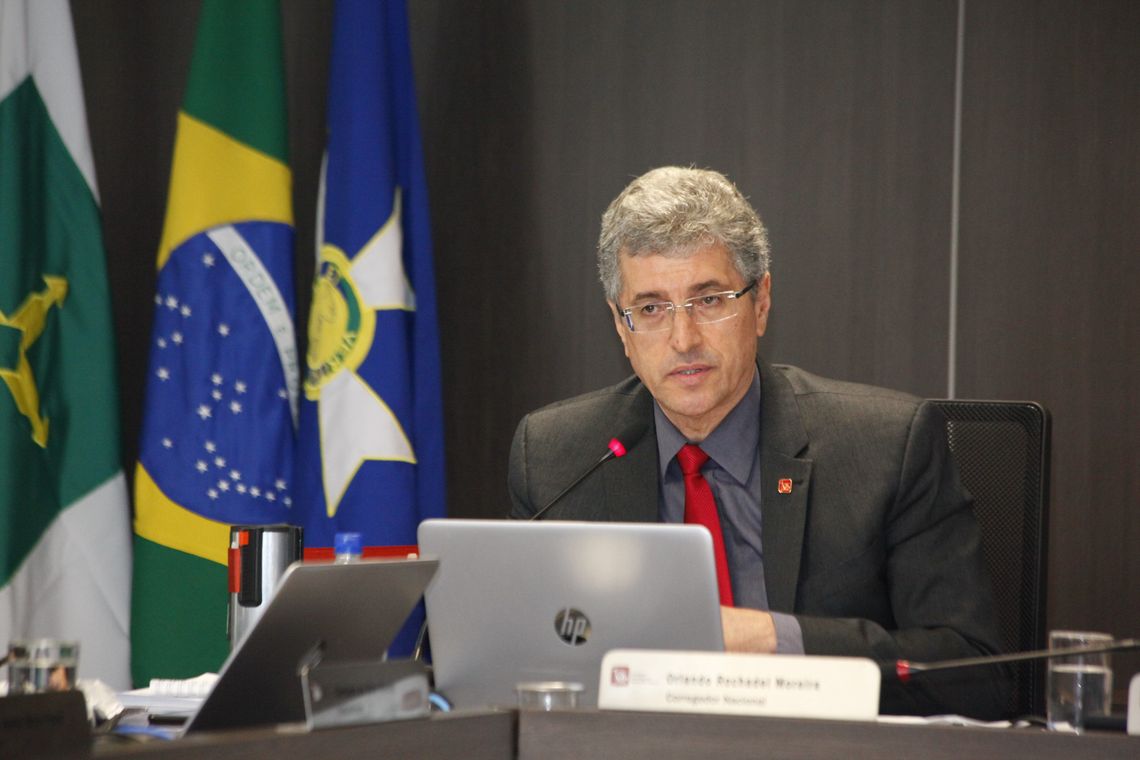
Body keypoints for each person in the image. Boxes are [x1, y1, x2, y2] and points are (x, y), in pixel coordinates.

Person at [507, 166, 1008, 718]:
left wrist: (770, 638)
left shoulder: (887, 448)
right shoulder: (556, 458)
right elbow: (513, 665)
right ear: (621, 328)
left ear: (761, 302)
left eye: (710, 299)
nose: (683, 339)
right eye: (650, 309)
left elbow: (973, 674)